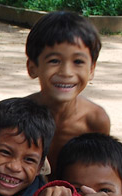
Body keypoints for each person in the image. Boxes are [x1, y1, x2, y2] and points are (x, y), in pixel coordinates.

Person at [23, 11, 111, 173]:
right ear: (32, 67)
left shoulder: (95, 120)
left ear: (91, 70)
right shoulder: (17, 116)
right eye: (54, 61)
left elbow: (97, 170)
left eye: (78, 62)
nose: (66, 72)